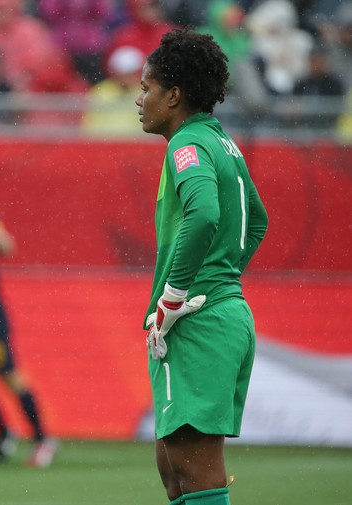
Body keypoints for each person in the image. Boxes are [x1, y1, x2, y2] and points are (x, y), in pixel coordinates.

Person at [135, 28, 268, 505]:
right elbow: (258, 222)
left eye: (147, 88)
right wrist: (222, 277)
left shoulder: (186, 145)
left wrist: (175, 296)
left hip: (197, 321)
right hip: (221, 314)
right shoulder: (222, 141)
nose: (139, 99)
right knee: (174, 470)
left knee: (198, 475)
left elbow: (206, 213)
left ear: (173, 95)